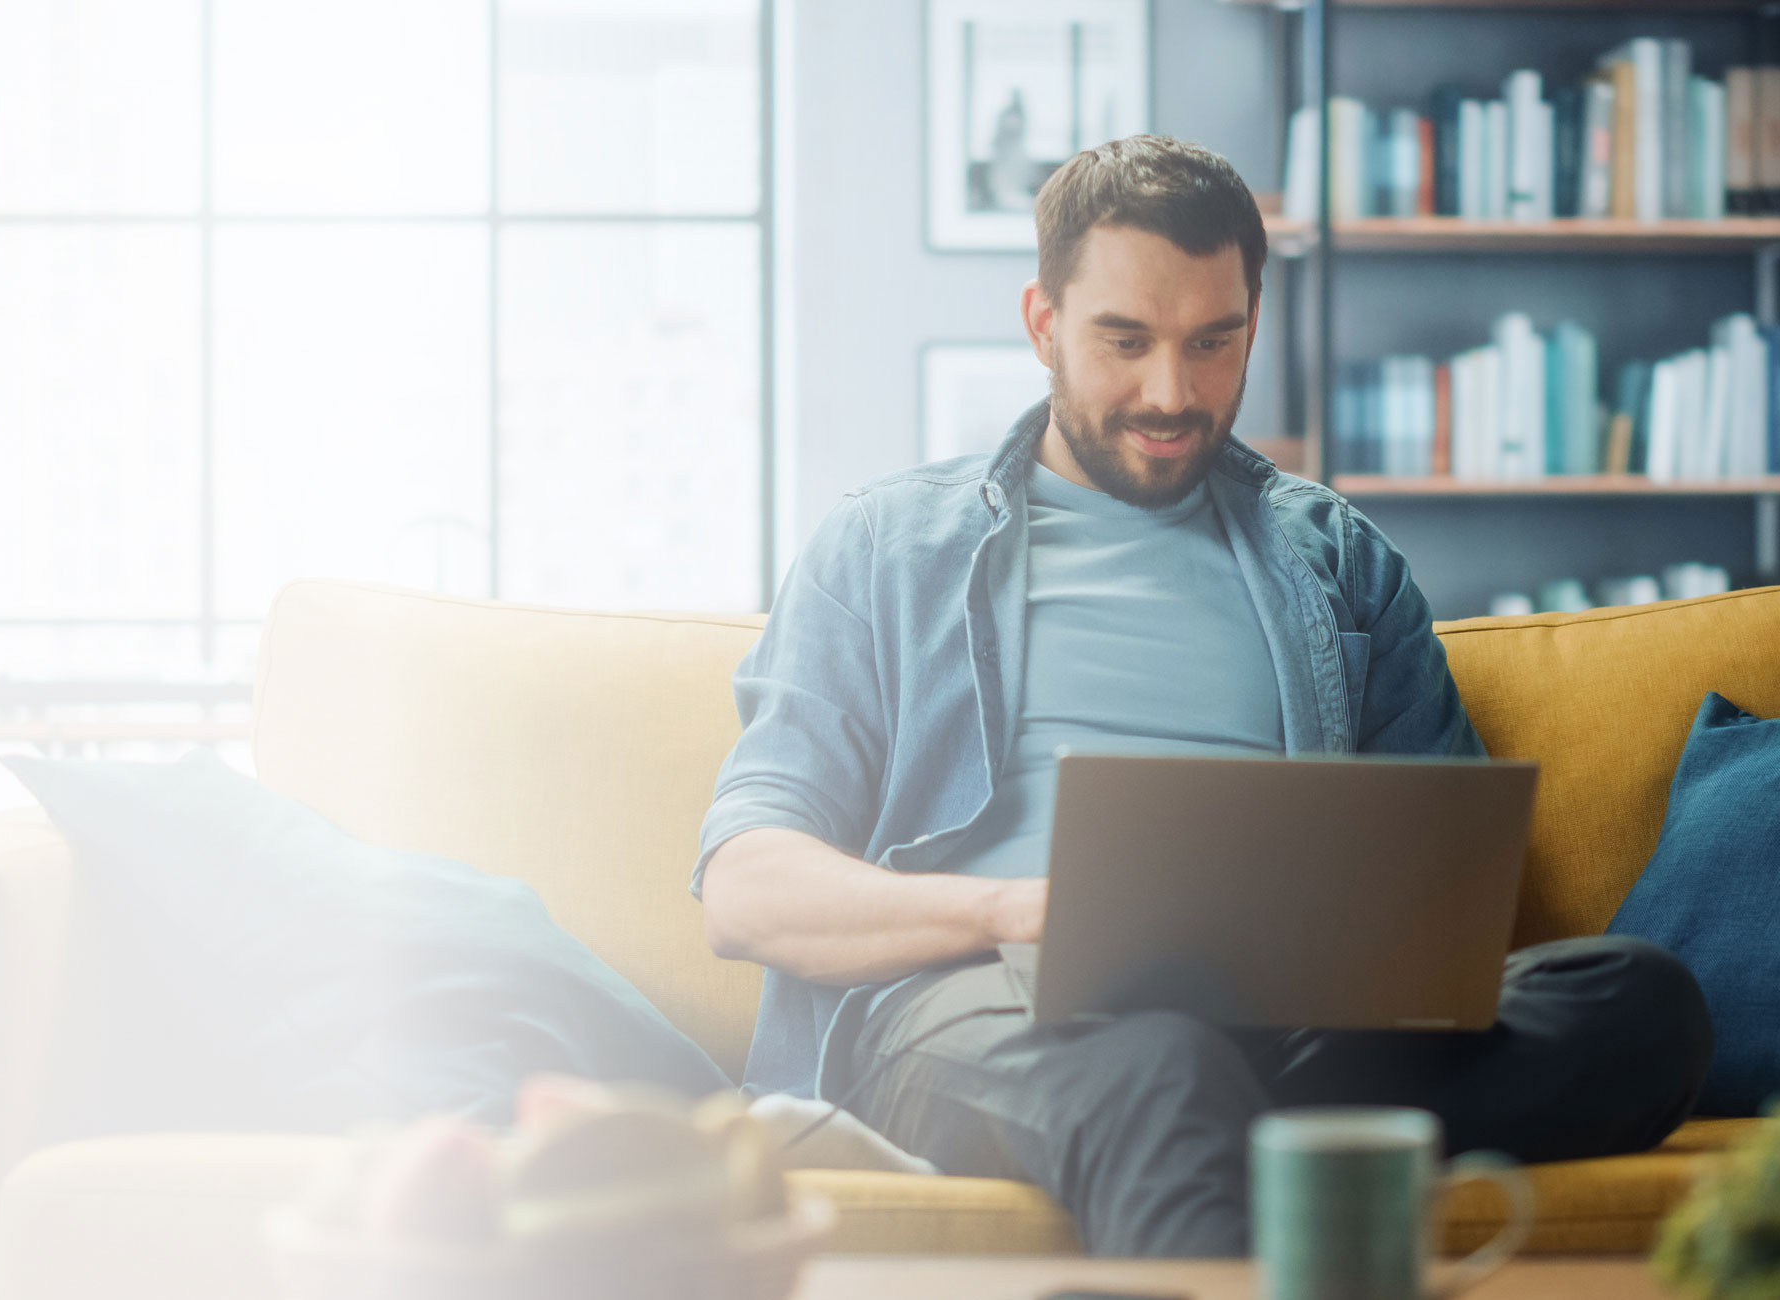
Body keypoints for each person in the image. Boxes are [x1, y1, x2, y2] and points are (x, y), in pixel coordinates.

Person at [693, 134, 1711, 1257]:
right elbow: (746, 889)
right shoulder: (885, 547)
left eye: (1212, 343)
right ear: (1043, 323)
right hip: (974, 1013)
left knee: (1640, 1002)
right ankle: (1199, 1116)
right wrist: (1018, 910)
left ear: (1251, 327)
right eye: (1124, 341)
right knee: (1155, 1064)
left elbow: (1448, 890)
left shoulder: (1339, 559)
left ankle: (1213, 1127)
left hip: (1288, 1028)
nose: (1170, 392)